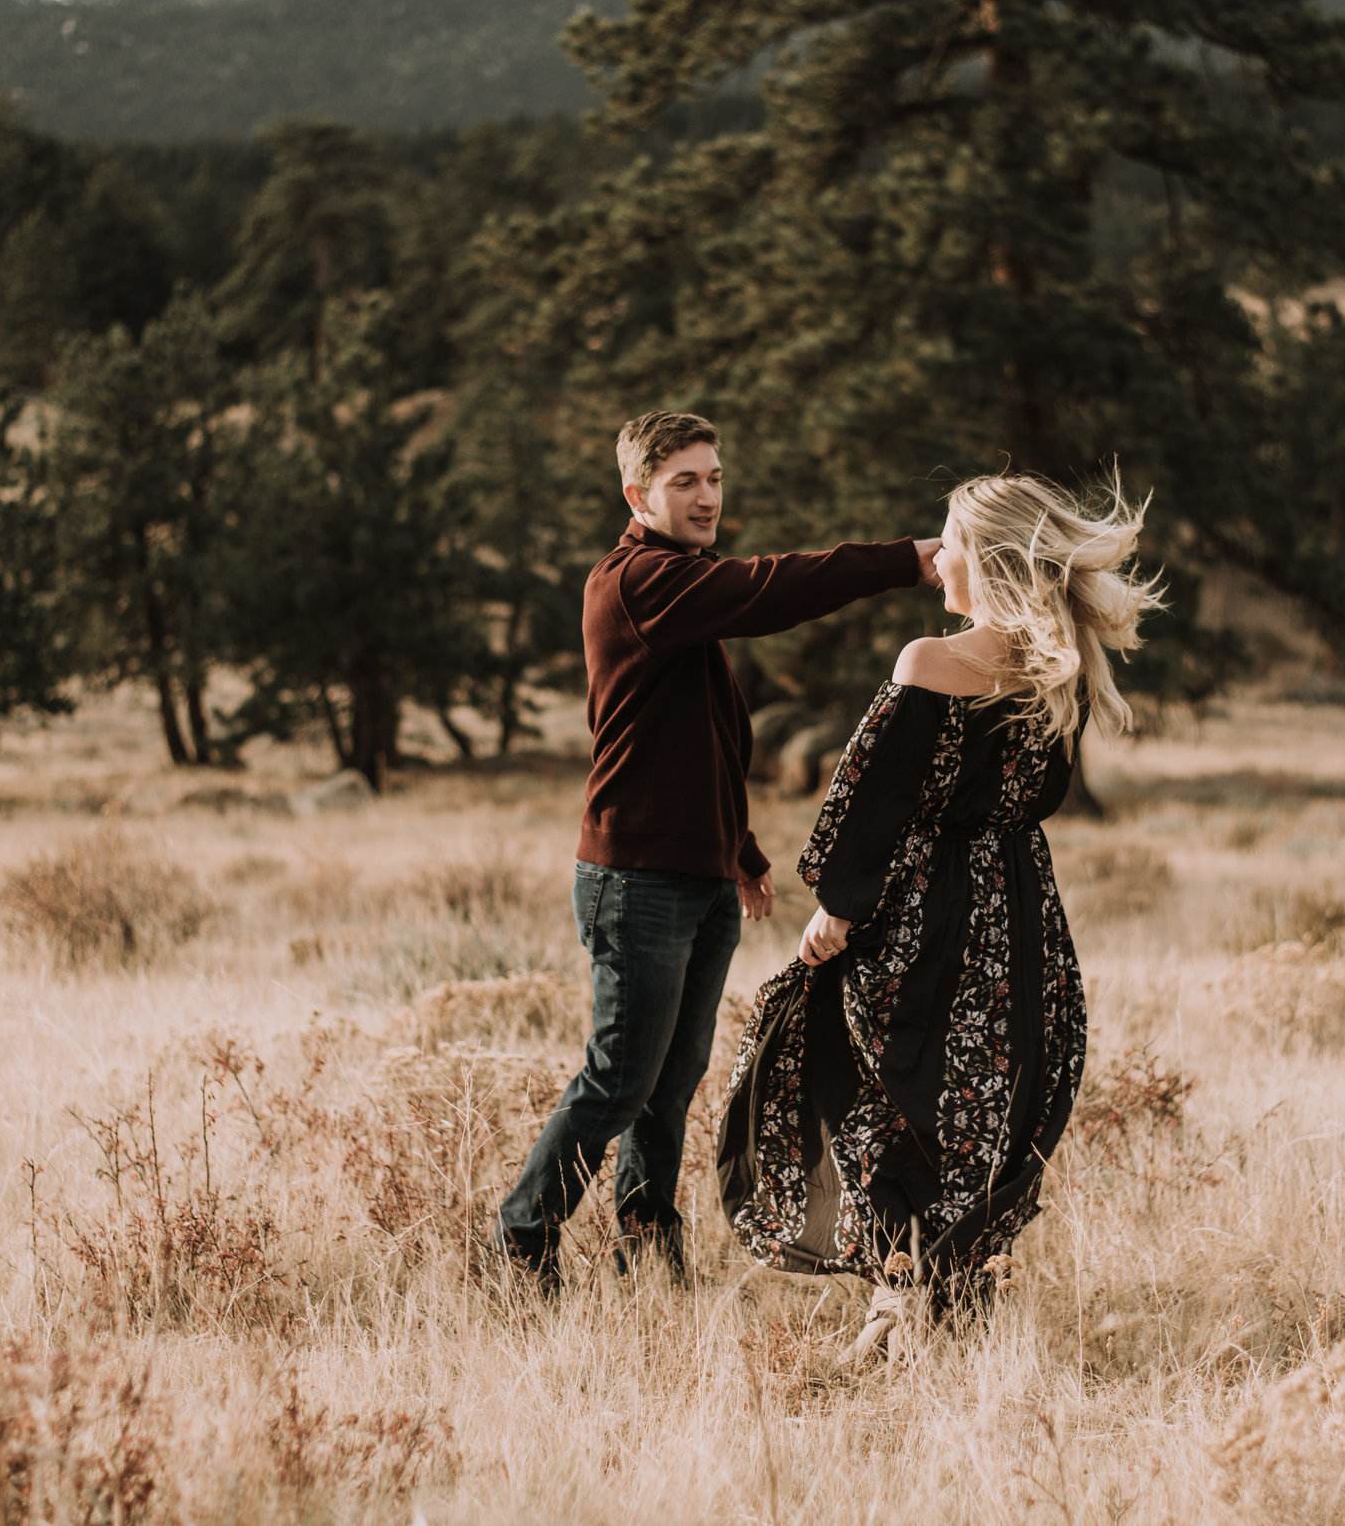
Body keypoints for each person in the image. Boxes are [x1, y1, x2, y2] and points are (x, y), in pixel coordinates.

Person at [492, 409, 944, 1290]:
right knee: (622, 1076)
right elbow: (773, 586)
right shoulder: (637, 581)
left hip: (694, 876)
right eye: (684, 482)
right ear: (637, 494)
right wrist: (902, 559)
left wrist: (736, 846)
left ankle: (648, 1251)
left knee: (670, 1081)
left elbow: (698, 735)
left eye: (715, 477)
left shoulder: (681, 588)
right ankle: (521, 1236)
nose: (707, 497)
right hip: (635, 878)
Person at [715, 470, 1161, 1350]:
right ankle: (927, 1300)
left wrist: (836, 908)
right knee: (982, 1103)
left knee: (873, 1084)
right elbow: (1044, 794)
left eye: (949, 539)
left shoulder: (930, 661)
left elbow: (868, 796)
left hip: (920, 916)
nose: (937, 556)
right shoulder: (1056, 670)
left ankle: (900, 1296)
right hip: (1018, 909)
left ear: (989, 561)